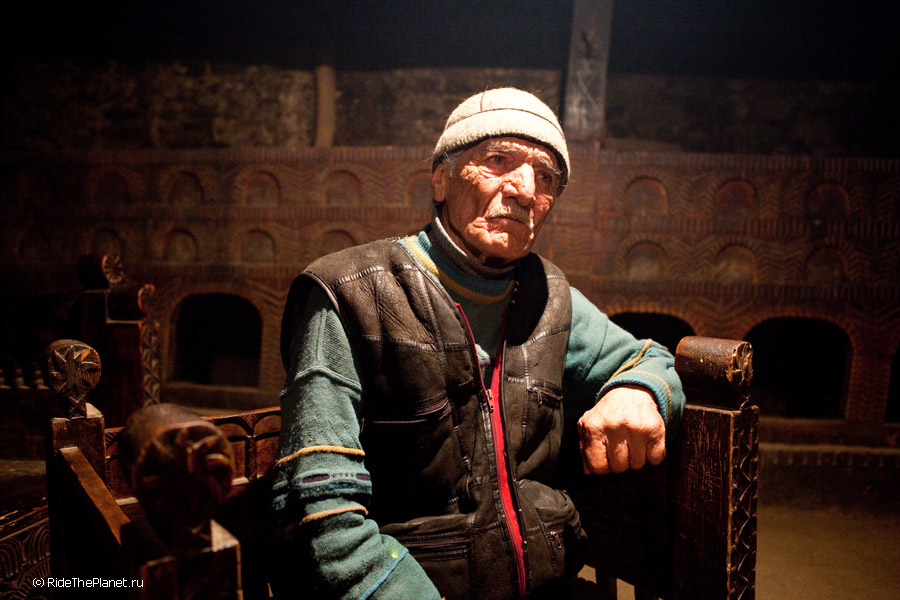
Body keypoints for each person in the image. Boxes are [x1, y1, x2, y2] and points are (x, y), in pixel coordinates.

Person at [271, 88, 685, 600]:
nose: (525, 190)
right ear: (441, 179)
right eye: (498, 161)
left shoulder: (548, 295)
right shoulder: (348, 292)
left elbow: (652, 359)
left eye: (546, 178)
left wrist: (640, 390)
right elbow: (321, 508)